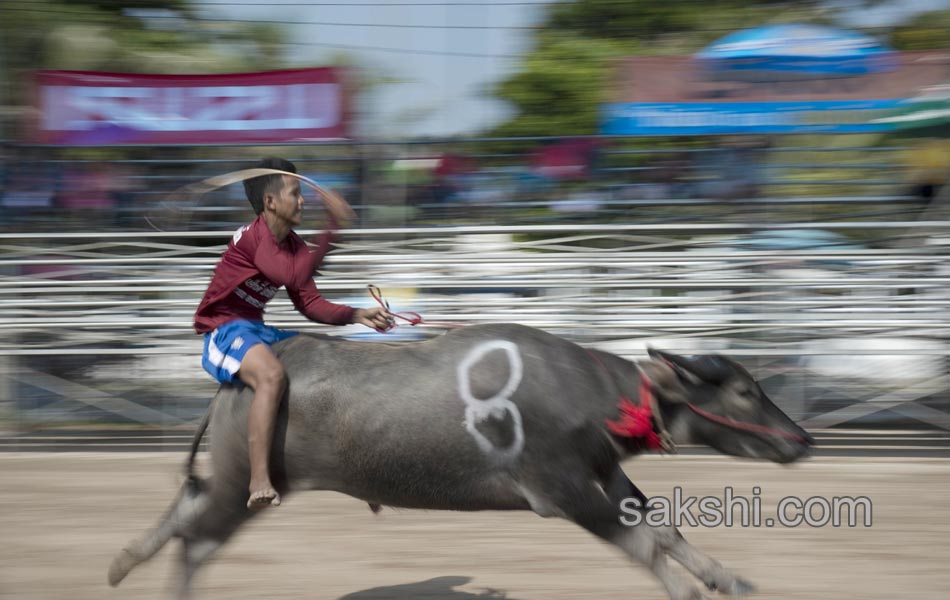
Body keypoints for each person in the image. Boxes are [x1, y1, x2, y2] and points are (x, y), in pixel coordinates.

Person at [194, 157, 391, 509]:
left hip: (256, 327)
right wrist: (332, 228)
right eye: (295, 193)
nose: (302, 201)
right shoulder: (254, 239)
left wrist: (357, 314)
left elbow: (310, 303)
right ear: (270, 202)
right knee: (270, 376)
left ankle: (357, 469)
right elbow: (291, 276)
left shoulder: (294, 246)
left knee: (334, 355)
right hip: (223, 330)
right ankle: (259, 479)